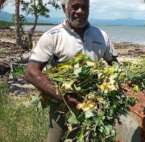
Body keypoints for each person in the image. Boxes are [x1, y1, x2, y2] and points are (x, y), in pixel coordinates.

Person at [24, 0, 117, 141]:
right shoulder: (53, 36)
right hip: (62, 106)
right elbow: (31, 72)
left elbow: (115, 65)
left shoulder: (101, 36)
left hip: (94, 106)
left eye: (84, 7)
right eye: (75, 7)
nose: (80, 11)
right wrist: (63, 96)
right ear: (64, 8)